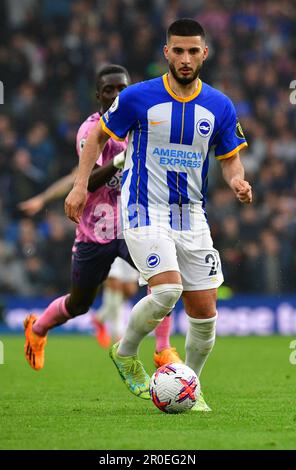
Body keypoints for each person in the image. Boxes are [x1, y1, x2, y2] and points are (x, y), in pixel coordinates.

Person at [64, 19, 252, 411]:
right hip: (143, 209)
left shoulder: (219, 105)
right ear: (167, 53)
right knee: (168, 290)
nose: (185, 59)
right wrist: (81, 185)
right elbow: (98, 135)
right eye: (178, 51)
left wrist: (237, 181)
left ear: (204, 53)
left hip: (191, 217)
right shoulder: (137, 97)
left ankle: (190, 387)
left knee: (206, 316)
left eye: (193, 51)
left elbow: (231, 159)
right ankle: (125, 351)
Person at [23, 64, 182, 371]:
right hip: (94, 232)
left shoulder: (142, 124)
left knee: (163, 277)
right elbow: (89, 181)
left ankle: (163, 349)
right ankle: (38, 329)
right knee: (79, 304)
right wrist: (122, 160)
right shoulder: (90, 131)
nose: (116, 94)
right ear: (98, 95)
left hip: (134, 224)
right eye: (109, 89)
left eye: (122, 88)